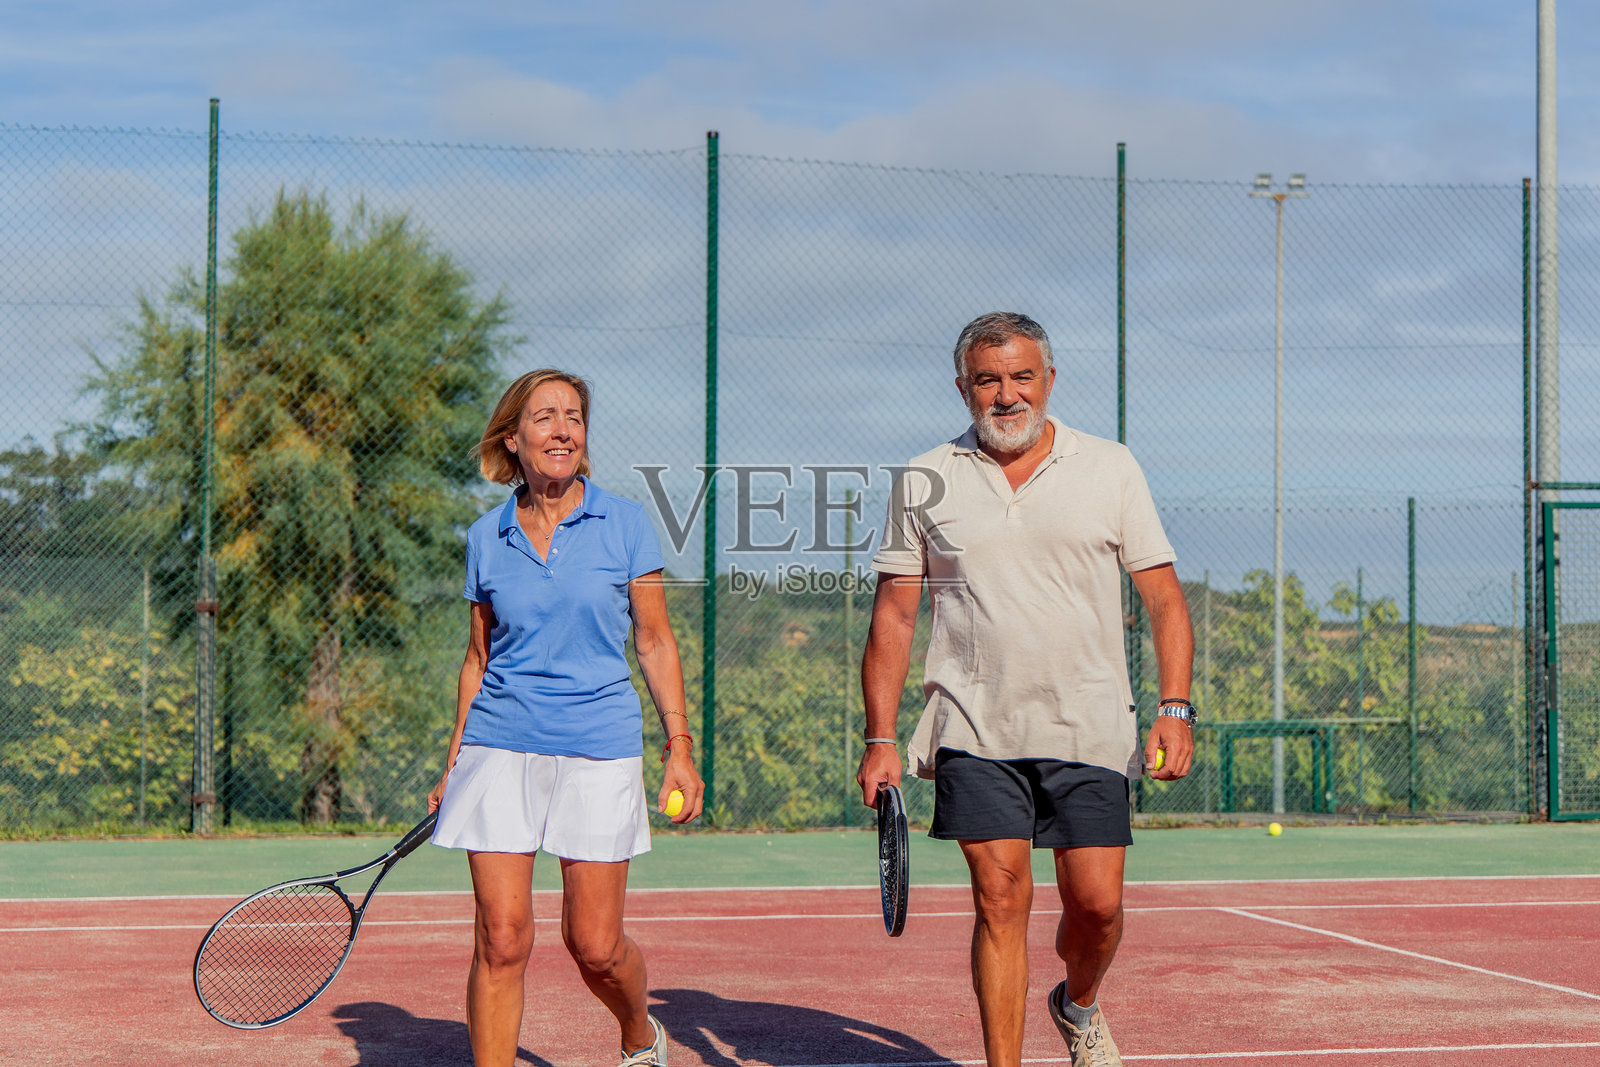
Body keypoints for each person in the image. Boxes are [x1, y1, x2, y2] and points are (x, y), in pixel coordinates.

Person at [856, 313, 1195, 1067]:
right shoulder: (923, 477)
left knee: (1097, 907)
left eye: (1021, 377)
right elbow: (895, 614)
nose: (1006, 394)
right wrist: (880, 737)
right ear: (963, 387)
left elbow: (1165, 599)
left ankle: (1077, 1002)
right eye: (988, 379)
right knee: (1001, 900)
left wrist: (1175, 706)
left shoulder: (1110, 468)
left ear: (1047, 380)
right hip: (973, 726)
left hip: (1093, 727)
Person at [428, 368, 703, 1067]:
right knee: (502, 937)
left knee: (596, 946)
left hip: (598, 744)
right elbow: (477, 657)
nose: (563, 429)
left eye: (574, 416)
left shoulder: (626, 522)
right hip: (498, 742)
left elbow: (654, 639)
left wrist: (680, 744)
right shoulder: (485, 536)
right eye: (545, 416)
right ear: (512, 438)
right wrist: (454, 761)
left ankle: (639, 1033)